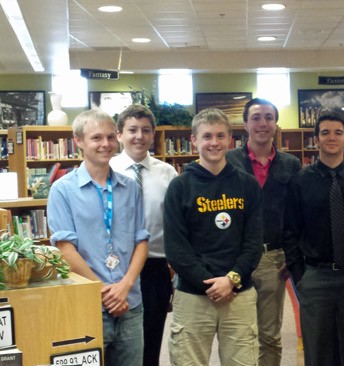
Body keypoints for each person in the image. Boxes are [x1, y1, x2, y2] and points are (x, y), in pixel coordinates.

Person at [47, 109, 149, 366]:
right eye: (96, 138)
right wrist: (104, 292)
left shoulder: (131, 187)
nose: (105, 144)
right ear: (78, 141)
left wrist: (124, 287)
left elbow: (141, 241)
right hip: (88, 305)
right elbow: (65, 249)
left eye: (110, 137)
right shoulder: (62, 190)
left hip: (130, 304)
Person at [164, 108, 263, 365]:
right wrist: (210, 284)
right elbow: (176, 249)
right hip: (193, 295)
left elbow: (253, 243)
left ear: (230, 139)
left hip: (238, 294)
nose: (214, 142)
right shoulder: (179, 187)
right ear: (194, 140)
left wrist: (231, 280)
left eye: (220, 136)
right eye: (207, 136)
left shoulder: (247, 184)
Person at [226, 98, 301, 366]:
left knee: (269, 334)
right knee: (239, 333)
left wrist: (292, 258)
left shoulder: (290, 164)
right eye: (256, 117)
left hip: (273, 260)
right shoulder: (227, 161)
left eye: (269, 117)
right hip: (234, 260)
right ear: (245, 124)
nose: (263, 123)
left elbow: (296, 215)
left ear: (276, 125)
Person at [283, 111, 344, 366]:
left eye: (338, 133)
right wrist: (300, 276)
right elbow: (291, 231)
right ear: (315, 139)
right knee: (317, 350)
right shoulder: (300, 181)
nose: (332, 138)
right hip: (315, 277)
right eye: (325, 132)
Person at [110, 104, 178, 366]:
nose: (139, 136)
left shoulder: (167, 173)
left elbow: (175, 221)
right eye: (132, 130)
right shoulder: (108, 168)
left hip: (154, 266)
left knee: (151, 336)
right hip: (116, 266)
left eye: (145, 130)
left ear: (153, 135)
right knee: (117, 335)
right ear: (119, 134)